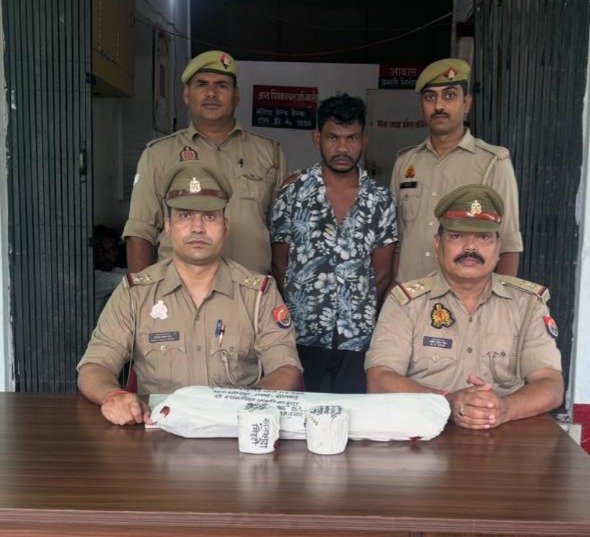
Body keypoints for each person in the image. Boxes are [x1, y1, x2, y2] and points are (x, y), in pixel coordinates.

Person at [78, 162, 303, 426]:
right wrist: (113, 396)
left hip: (234, 431)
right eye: (185, 216)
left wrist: (251, 405)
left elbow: (286, 367)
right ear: (167, 226)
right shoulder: (135, 293)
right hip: (157, 433)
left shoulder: (258, 294)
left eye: (209, 217)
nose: (197, 228)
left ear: (225, 226)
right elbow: (94, 366)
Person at [365, 184, 563, 430]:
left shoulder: (527, 304)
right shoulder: (406, 302)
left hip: (505, 437)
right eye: (457, 236)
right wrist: (445, 402)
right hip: (423, 437)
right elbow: (379, 379)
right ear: (438, 243)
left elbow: (551, 384)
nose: (471, 248)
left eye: (483, 237)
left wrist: (504, 408)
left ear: (498, 247)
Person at [271, 94, 397, 394]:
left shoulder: (380, 200)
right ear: (317, 138)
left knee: (353, 416)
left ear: (364, 139)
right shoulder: (292, 194)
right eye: (333, 137)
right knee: (299, 414)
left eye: (351, 138)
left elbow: (382, 274)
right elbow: (280, 265)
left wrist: (355, 310)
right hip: (302, 333)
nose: (342, 148)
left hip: (357, 336)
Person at [123, 50, 286, 275]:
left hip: (251, 291)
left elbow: (282, 235)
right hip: (179, 292)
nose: (211, 93)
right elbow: (141, 232)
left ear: (237, 96)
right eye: (201, 84)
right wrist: (142, 293)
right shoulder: (159, 154)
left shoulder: (270, 153)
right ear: (187, 94)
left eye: (221, 85)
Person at [391, 58, 523, 282]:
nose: (439, 106)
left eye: (449, 95)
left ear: (467, 103)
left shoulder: (492, 162)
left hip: (465, 298)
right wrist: (394, 289)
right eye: (430, 97)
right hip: (410, 296)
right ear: (421, 105)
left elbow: (508, 242)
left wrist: (501, 299)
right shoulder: (405, 163)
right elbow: (400, 241)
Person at [93, 225, 127, 318]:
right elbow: (131, 280)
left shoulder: (113, 271)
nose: (106, 254)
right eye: (100, 249)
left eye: (112, 249)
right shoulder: (93, 277)